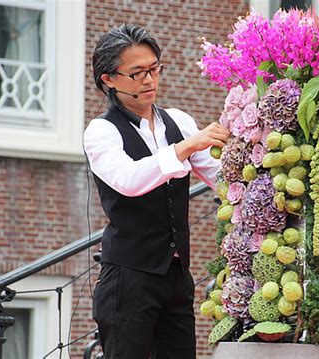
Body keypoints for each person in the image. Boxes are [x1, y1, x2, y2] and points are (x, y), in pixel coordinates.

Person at [84, 24, 230, 359]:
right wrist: (183, 149)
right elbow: (129, 180)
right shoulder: (101, 132)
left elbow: (219, 176)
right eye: (137, 74)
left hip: (176, 276)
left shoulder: (177, 121)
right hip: (128, 276)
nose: (150, 81)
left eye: (154, 69)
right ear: (109, 79)